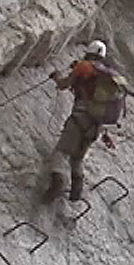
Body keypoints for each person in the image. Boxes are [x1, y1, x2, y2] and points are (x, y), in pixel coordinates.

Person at [43, 40, 117, 202]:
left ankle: (58, 182)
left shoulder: (83, 67)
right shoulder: (107, 76)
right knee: (77, 158)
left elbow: (64, 85)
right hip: (96, 126)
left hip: (80, 118)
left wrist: (56, 77)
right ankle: (76, 190)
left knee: (62, 152)